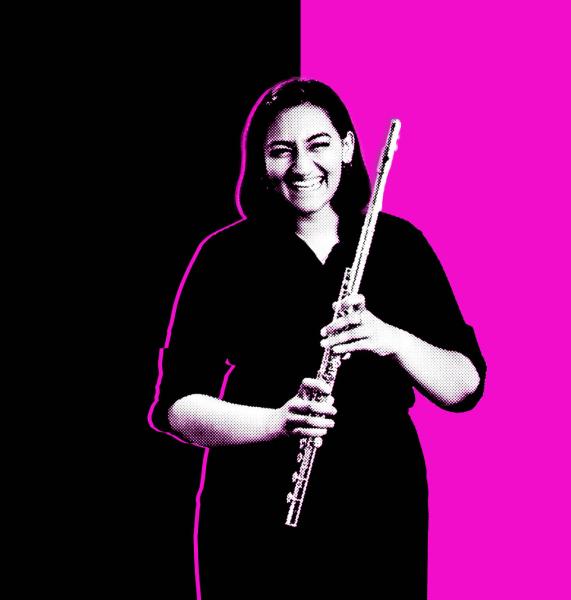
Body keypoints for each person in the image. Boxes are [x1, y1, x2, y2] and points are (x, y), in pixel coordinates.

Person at [147, 78, 487, 598]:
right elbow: (177, 408)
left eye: (318, 144)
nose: (302, 166)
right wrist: (278, 422)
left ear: (349, 148)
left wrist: (390, 338)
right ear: (262, 164)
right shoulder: (225, 257)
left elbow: (463, 385)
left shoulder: (399, 244)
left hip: (380, 495)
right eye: (281, 151)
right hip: (253, 499)